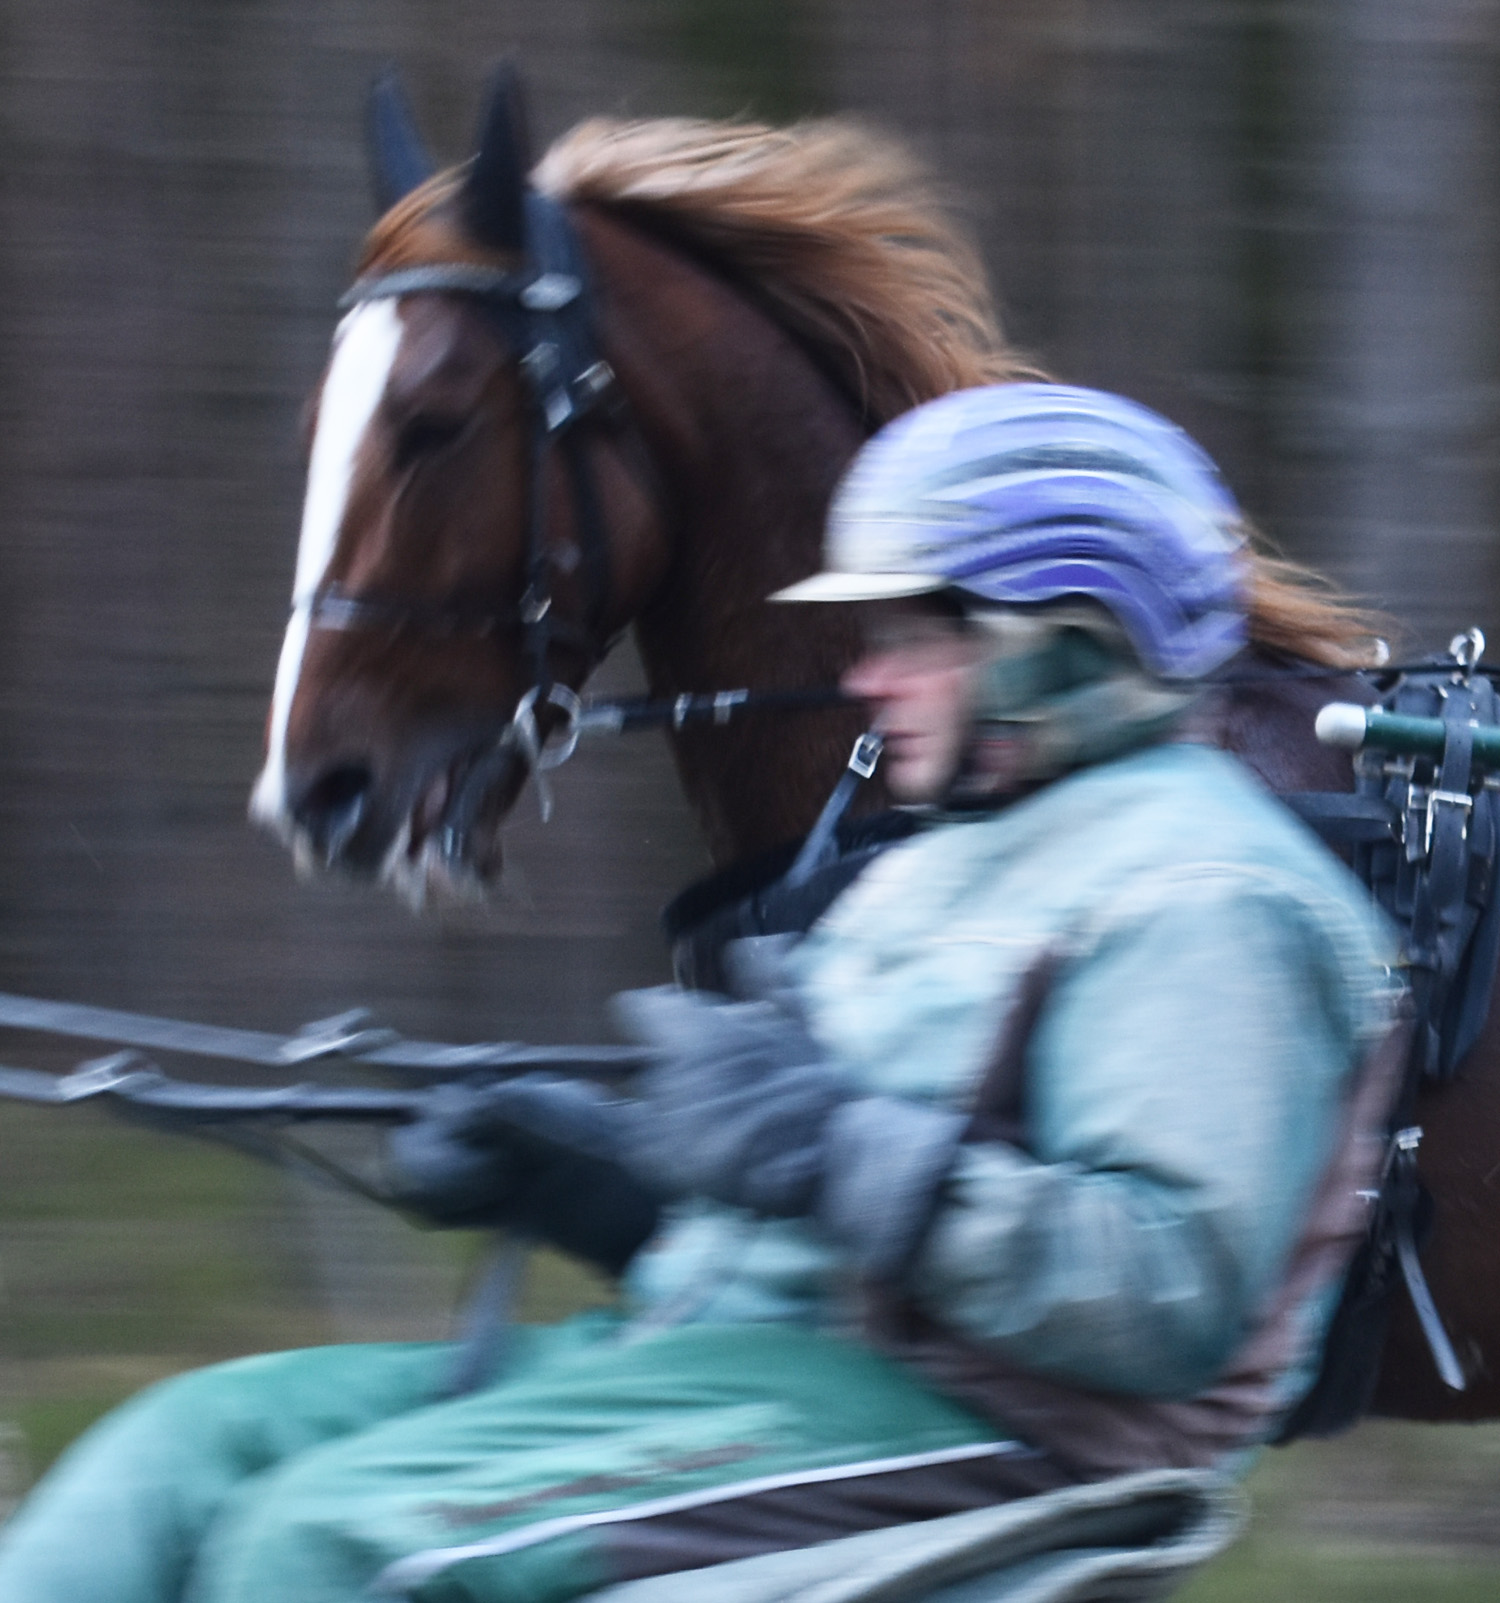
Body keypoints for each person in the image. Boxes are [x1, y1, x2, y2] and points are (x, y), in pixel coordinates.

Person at [0, 384, 1402, 1603]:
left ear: (1070, 637)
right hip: (733, 1361)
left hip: (983, 1427)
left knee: (332, 1550)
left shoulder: (1210, 897)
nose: (863, 678)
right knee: (177, 1458)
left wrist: (829, 1145)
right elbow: (813, 1210)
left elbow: (1163, 1295)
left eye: (912, 633)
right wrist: (592, 1183)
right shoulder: (950, 862)